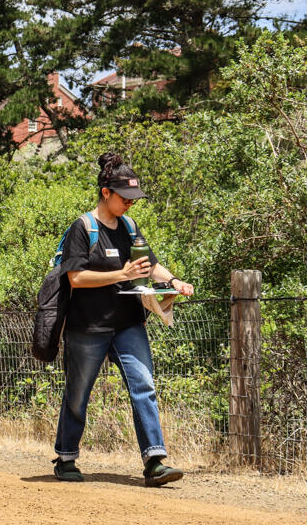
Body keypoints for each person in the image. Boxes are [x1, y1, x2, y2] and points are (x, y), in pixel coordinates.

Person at [52, 152, 194, 487]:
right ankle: (66, 457)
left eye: (134, 199)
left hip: (129, 324)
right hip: (87, 327)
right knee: (78, 393)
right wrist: (122, 273)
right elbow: (76, 278)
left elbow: (149, 264)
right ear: (105, 193)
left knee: (143, 385)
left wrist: (173, 281)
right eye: (124, 198)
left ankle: (154, 461)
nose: (130, 204)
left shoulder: (129, 228)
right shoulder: (83, 228)